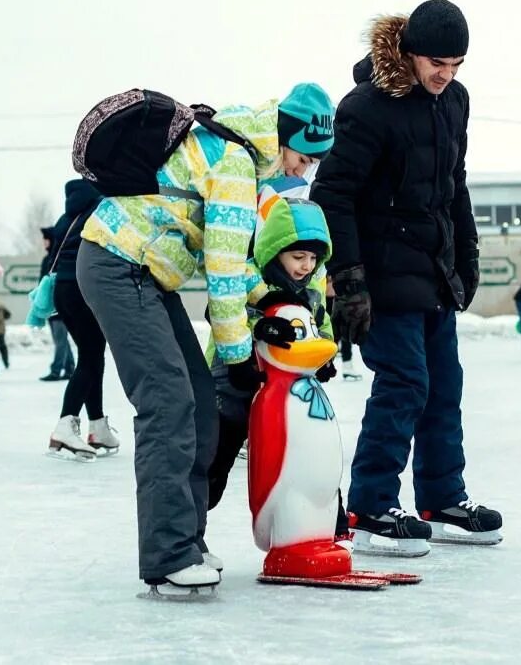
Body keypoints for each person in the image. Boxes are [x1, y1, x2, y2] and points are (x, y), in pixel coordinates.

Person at [78, 92, 334, 593]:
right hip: (118, 263)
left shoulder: (237, 152)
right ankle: (168, 554)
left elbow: (235, 262)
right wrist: (238, 356)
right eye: (301, 158)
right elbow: (221, 274)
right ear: (283, 140)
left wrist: (267, 305)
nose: (302, 174)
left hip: (146, 273)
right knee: (169, 403)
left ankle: (187, 541)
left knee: (198, 404)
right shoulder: (237, 166)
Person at [311, 0, 503, 557]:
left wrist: (465, 256)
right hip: (380, 272)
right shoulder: (368, 107)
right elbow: (332, 194)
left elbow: (454, 186)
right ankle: (371, 506)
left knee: (444, 385)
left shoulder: (455, 102)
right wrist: (347, 279)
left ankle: (442, 498)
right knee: (404, 383)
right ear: (410, 52)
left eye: (457, 64)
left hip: (432, 270)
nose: (446, 75)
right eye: (437, 63)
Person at [207, 187, 353, 548]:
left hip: (289, 394)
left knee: (312, 455)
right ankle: (190, 532)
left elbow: (321, 326)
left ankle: (331, 529)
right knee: (216, 460)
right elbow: (219, 311)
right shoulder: (251, 277)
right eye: (298, 256)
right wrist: (258, 325)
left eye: (312, 259)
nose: (306, 266)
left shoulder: (313, 287)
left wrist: (325, 358)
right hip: (236, 384)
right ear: (276, 251)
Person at [46, 180, 120, 460]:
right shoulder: (100, 208)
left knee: (91, 356)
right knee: (91, 358)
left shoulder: (67, 216)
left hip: (63, 291)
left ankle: (98, 426)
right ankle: (66, 423)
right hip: (83, 287)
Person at [40, 226, 75, 382]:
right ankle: (70, 368)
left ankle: (56, 370)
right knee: (61, 339)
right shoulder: (49, 259)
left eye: (46, 239)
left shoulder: (55, 260)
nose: (44, 242)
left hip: (58, 305)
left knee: (60, 339)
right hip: (53, 305)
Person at [327, 281, 362, 381]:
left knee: (344, 331)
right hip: (329, 297)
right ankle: (324, 364)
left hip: (340, 296)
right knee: (331, 332)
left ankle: (347, 365)